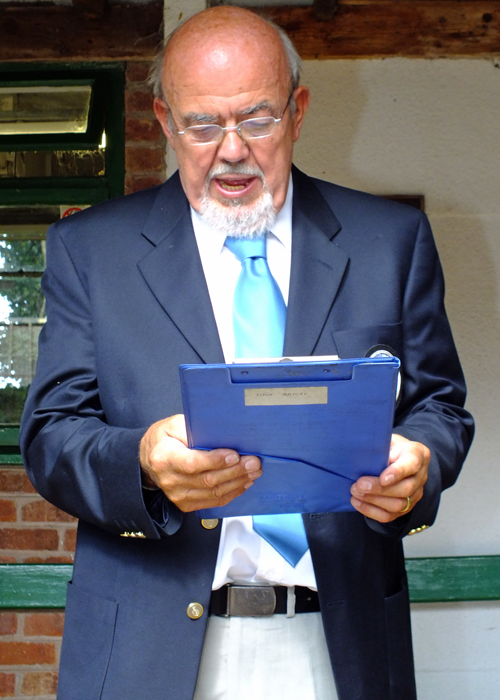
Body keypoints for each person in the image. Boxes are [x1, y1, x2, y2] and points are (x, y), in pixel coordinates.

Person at [20, 7, 474, 700]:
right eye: (203, 125)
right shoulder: (92, 253)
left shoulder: (391, 241)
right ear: (165, 121)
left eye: (256, 120)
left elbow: (439, 407)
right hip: (149, 651)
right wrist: (142, 462)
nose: (230, 150)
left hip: (339, 643)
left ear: (298, 111)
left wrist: (421, 463)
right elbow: (51, 436)